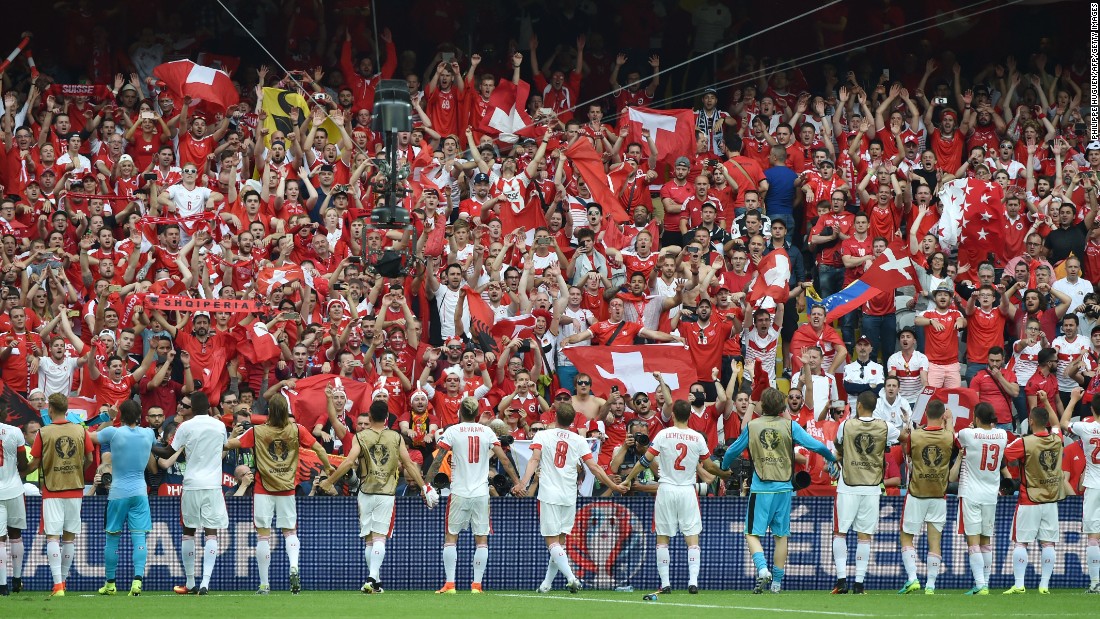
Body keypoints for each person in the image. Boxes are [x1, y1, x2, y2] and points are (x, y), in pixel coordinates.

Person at [722, 388, 837, 593]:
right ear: (782, 406)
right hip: (784, 488)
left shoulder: (752, 426)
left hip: (761, 488)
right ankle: (776, 583)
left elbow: (732, 451)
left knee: (751, 533)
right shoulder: (790, 426)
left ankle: (762, 568)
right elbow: (816, 446)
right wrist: (831, 457)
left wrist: (724, 467)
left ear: (762, 406)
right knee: (781, 536)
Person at [320, 400, 437, 594]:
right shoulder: (396, 437)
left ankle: (375, 580)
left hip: (366, 491)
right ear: (387, 417)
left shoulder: (361, 436)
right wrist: (424, 486)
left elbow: (349, 462)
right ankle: (373, 578)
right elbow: (408, 464)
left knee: (369, 539)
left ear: (371, 417)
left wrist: (329, 481)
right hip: (387, 492)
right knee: (379, 537)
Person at [226, 394, 333, 594]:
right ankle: (293, 566)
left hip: (262, 488)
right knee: (290, 531)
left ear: (268, 412)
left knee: (263, 536)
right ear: (286, 410)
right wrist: (328, 467)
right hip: (287, 489)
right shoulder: (297, 430)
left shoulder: (258, 431)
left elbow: (230, 445)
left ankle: (265, 584)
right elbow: (318, 448)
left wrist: (230, 437)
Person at [516, 404, 626, 593]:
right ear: (573, 421)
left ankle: (571, 578)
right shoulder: (579, 440)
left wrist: (523, 483)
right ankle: (546, 585)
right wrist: (613, 485)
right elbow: (594, 467)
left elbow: (534, 459)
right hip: (569, 495)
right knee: (560, 542)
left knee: (552, 542)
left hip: (549, 494)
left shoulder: (542, 435)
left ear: (555, 416)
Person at [623, 399, 724, 596]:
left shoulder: (663, 434)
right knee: (692, 538)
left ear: (675, 415)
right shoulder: (697, 438)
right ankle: (693, 582)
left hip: (666, 489)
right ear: (689, 416)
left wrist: (628, 478)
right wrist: (725, 474)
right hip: (687, 489)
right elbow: (709, 466)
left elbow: (645, 460)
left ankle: (666, 583)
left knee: (663, 538)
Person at [426, 397, 521, 594]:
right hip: (481, 493)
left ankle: (450, 584)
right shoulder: (486, 431)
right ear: (477, 414)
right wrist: (518, 481)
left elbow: (438, 460)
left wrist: (426, 483)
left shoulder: (452, 431)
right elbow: (503, 459)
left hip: (459, 491)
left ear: (460, 412)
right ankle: (476, 585)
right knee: (481, 539)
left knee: (451, 537)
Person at [1002, 392, 1074, 594]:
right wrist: (1045, 402)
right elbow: (1057, 424)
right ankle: (1044, 585)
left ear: (1031, 421)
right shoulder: (1056, 438)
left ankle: (1019, 584)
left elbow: (1007, 455)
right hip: (1051, 499)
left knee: (1021, 542)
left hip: (1029, 499)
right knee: (1048, 542)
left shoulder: (1024, 442)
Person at [832, 390, 901, 594]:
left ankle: (841, 581)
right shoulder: (885, 426)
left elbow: (837, 443)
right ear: (874, 407)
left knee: (840, 533)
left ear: (859, 406)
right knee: (864, 536)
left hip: (848, 486)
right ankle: (859, 584)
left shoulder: (846, 425)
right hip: (872, 488)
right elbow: (902, 435)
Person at [26, 393, 95, 597]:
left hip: (52, 490)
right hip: (75, 488)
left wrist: (20, 470)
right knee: (69, 539)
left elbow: (35, 463)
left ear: (51, 410)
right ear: (67, 410)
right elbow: (90, 458)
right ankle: (63, 582)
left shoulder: (44, 432)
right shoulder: (80, 430)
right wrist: (77, 470)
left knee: (53, 537)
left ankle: (58, 585)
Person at [165, 392, 228, 596]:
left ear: (192, 407)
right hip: (212, 485)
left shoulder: (185, 426)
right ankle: (205, 583)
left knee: (188, 532)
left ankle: (190, 582)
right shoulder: (219, 426)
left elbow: (168, 452)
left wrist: (149, 445)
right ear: (209, 407)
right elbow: (223, 446)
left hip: (191, 484)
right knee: (211, 533)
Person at [93, 400, 156, 597]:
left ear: (120, 415)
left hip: (118, 492)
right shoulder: (149, 433)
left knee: (112, 539)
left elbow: (89, 437)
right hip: (139, 492)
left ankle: (110, 584)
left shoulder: (113, 432)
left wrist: (108, 418)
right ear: (139, 415)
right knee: (139, 537)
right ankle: (137, 581)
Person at [898, 399, 955, 595]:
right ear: (942, 416)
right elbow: (952, 435)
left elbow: (907, 454)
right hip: (938, 495)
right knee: (935, 541)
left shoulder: (915, 436)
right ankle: (930, 585)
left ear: (925, 415)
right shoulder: (949, 436)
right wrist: (950, 420)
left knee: (906, 537)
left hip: (916, 492)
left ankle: (913, 578)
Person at [957, 402, 1010, 595]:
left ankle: (980, 584)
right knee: (986, 540)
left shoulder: (967, 434)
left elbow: (957, 440)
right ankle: (985, 583)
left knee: (973, 540)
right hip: (991, 493)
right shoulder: (1002, 435)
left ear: (977, 418)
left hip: (971, 492)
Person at [1060, 395, 1100, 593]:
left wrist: (1074, 399)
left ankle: (1095, 582)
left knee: (1093, 536)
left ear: (1092, 410)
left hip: (1093, 486)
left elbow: (1063, 423)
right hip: (1093, 485)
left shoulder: (1086, 428)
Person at [0, 412, 28, 596]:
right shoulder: (15, 432)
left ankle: (2, 586)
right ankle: (17, 580)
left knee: (0, 540)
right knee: (15, 535)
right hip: (15, 489)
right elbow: (23, 462)